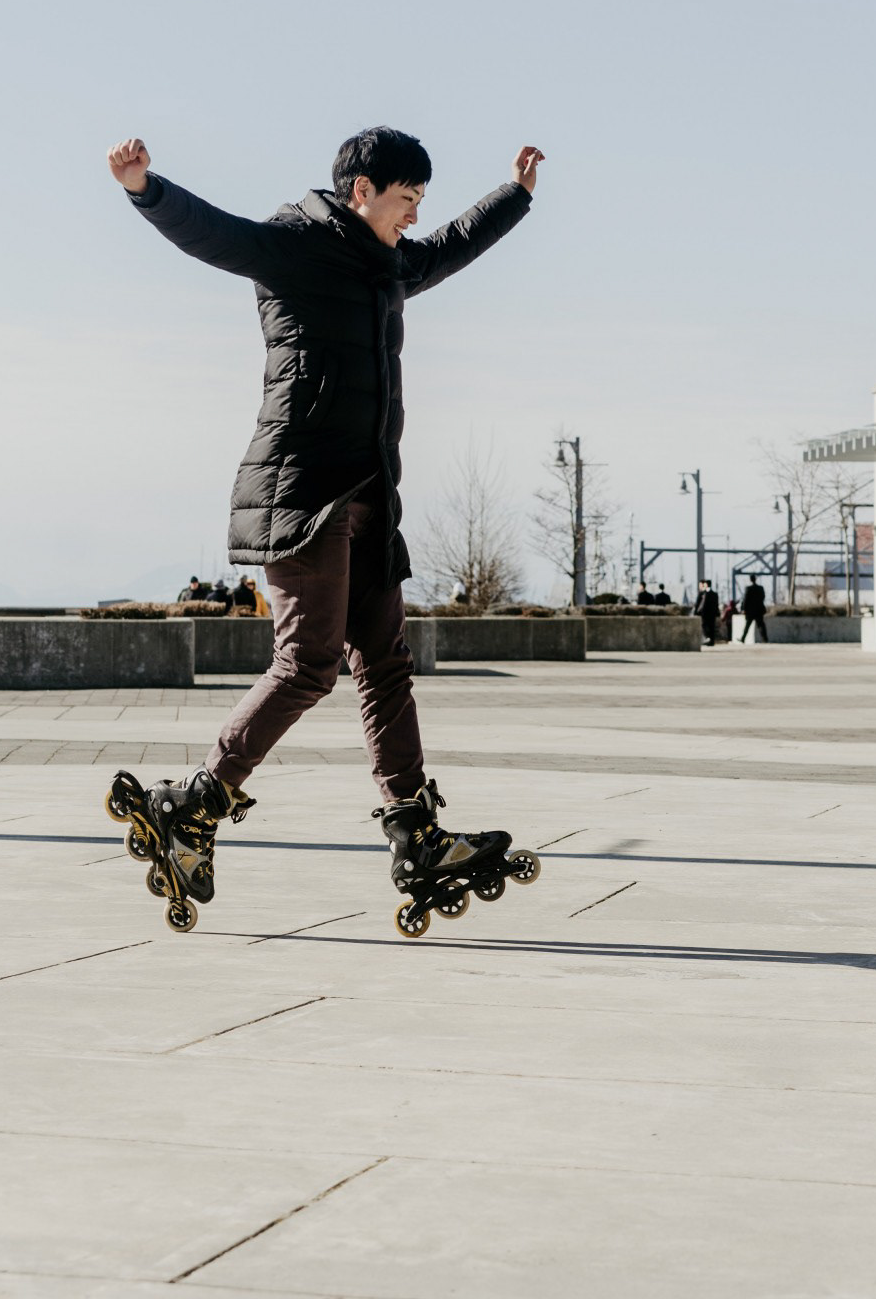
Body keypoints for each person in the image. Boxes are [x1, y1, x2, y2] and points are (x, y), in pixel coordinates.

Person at [103, 125, 546, 936]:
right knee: (307, 664)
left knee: (385, 662)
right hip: (301, 491)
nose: (414, 216)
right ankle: (193, 804)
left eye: (419, 201)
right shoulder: (295, 249)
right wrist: (147, 190)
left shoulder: (389, 263)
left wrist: (512, 197)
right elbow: (218, 235)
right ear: (362, 191)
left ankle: (415, 834)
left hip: (370, 491)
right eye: (404, 199)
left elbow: (451, 246)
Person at [691, 578, 721, 646]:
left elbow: (698, 604)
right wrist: (717, 612)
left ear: (706, 585)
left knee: (704, 625)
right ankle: (711, 642)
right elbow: (716, 604)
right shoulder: (715, 594)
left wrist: (696, 612)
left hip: (704, 614)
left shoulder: (703, 593)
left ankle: (708, 638)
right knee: (712, 627)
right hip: (712, 613)